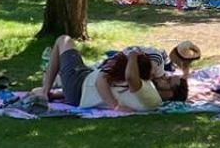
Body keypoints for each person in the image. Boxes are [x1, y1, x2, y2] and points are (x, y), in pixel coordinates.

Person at [34, 38, 188, 109]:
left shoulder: (150, 95)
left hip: (80, 83)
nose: (163, 77)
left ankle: (45, 91)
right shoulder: (149, 90)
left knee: (64, 40)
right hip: (86, 82)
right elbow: (117, 87)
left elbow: (104, 79)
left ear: (169, 94)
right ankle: (51, 93)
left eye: (168, 81)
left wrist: (133, 55)